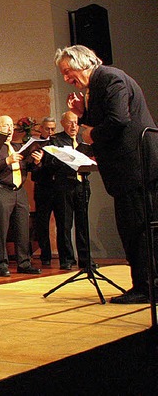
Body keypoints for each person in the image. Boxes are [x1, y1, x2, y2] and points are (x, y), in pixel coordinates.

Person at [55, 45, 158, 304]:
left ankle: (146, 288)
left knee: (138, 228)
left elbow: (118, 119)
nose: (67, 79)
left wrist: (91, 134)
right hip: (130, 169)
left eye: (68, 72)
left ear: (86, 62)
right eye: (64, 75)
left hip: (136, 167)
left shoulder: (110, 78)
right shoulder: (98, 85)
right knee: (134, 227)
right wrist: (83, 114)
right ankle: (146, 285)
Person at [0, 115, 43, 277]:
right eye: (5, 126)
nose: (10, 129)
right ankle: (0, 264)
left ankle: (24, 263)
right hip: (2, 190)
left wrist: (36, 162)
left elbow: (28, 167)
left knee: (23, 229)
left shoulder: (18, 146)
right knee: (0, 230)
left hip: (19, 191)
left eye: (11, 126)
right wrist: (7, 161)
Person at [49, 110, 90, 270]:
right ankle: (66, 259)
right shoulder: (56, 140)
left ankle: (86, 260)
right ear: (63, 123)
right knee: (65, 225)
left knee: (83, 224)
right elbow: (51, 162)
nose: (73, 126)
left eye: (76, 122)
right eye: (70, 122)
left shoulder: (83, 139)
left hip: (82, 185)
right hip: (65, 186)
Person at [31, 116, 57, 267]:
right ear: (41, 128)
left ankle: (67, 256)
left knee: (63, 223)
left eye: (53, 129)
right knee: (42, 223)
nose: (50, 131)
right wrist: (38, 163)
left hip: (58, 187)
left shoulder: (58, 143)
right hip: (42, 186)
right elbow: (33, 170)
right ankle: (45, 255)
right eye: (47, 128)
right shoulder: (35, 145)